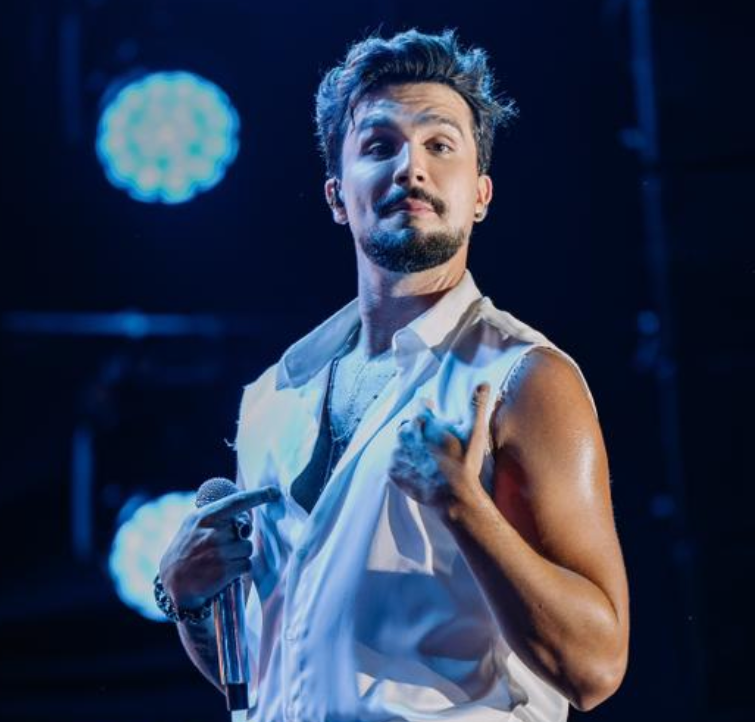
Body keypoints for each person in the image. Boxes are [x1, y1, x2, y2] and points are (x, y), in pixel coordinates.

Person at [158, 28, 629, 721]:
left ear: (481, 194)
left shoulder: (523, 378)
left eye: (441, 145)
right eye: (380, 145)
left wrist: (464, 507)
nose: (412, 167)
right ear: (336, 195)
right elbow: (277, 672)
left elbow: (595, 668)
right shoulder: (273, 396)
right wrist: (189, 602)